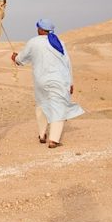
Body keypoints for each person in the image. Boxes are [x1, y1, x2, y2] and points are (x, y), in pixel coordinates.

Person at [11, 18, 84, 148]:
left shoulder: (33, 42)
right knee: (59, 107)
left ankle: (42, 135)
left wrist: (15, 58)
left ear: (40, 29)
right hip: (59, 80)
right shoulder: (59, 43)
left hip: (40, 80)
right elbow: (67, 63)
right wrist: (70, 83)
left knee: (41, 105)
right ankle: (53, 140)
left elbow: (21, 60)